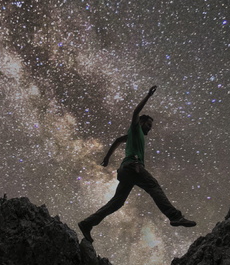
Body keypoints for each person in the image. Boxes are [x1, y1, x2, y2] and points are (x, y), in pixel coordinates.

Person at [78, 85, 196, 243]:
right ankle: (175, 217)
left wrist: (107, 158)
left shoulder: (132, 135)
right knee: (153, 186)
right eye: (148, 125)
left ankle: (87, 223)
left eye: (151, 127)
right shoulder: (136, 128)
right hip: (133, 166)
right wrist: (148, 96)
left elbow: (117, 141)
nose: (150, 129)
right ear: (141, 122)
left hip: (125, 170)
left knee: (117, 202)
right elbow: (135, 113)